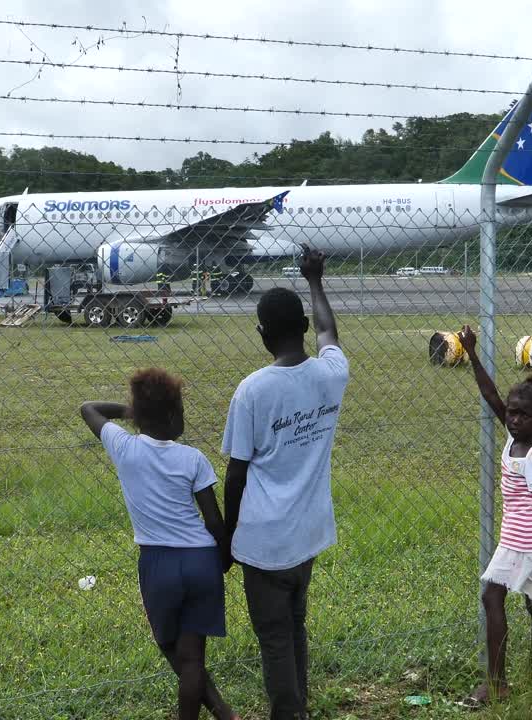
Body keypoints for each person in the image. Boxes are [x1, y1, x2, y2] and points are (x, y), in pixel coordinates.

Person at [222, 244, 348, 720]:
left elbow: (236, 474)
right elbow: (329, 330)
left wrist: (227, 535)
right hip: (308, 534)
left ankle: (288, 713)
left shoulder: (253, 390)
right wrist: (315, 280)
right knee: (295, 625)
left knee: (274, 637)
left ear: (261, 334)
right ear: (301, 329)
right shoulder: (331, 373)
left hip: (265, 540)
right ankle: (298, 707)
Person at [80, 369, 238, 720]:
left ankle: (224, 713)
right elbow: (214, 520)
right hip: (201, 561)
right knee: (193, 657)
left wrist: (133, 412)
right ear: (170, 417)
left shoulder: (124, 448)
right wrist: (224, 557)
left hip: (158, 563)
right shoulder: (193, 458)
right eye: (181, 412)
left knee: (170, 646)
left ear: (139, 417)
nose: (184, 418)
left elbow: (88, 408)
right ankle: (223, 714)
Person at [457, 325, 532, 706]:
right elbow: (490, 393)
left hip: (525, 538)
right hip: (522, 537)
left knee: (491, 596)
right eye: (512, 412)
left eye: (522, 415)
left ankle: (497, 682)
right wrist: (470, 352)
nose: (513, 419)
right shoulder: (514, 436)